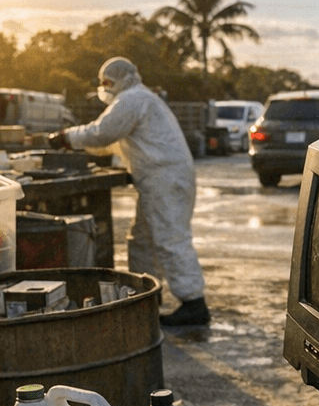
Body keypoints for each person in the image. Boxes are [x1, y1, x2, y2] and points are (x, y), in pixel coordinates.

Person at [54, 57, 209, 326]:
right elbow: (110, 142)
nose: (105, 87)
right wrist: (75, 144)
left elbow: (102, 133)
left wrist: (67, 137)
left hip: (165, 179)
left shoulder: (132, 99)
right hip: (162, 178)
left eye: (108, 82)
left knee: (170, 239)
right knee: (142, 239)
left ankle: (194, 303)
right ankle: (148, 295)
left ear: (122, 79)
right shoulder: (140, 99)